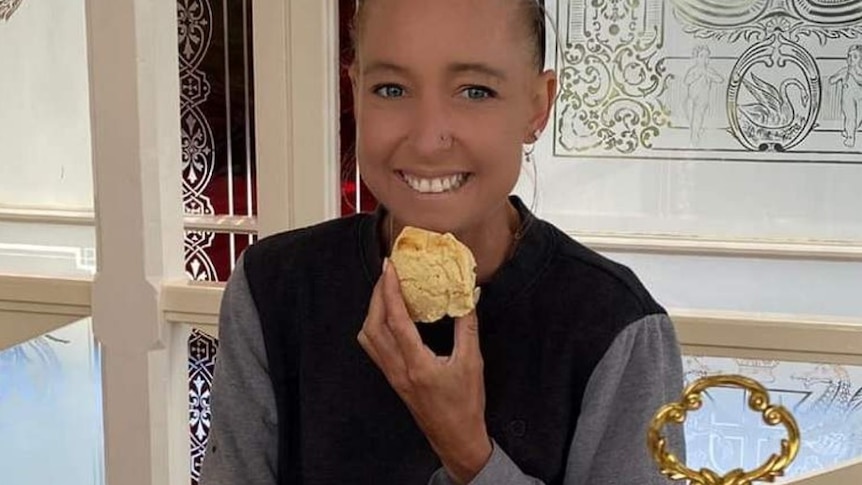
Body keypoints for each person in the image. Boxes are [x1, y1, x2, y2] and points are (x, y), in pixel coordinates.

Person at [199, 0, 686, 484]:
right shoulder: (274, 288)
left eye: (475, 91)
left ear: (538, 105)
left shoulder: (615, 326)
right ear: (355, 91)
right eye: (391, 89)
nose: (429, 138)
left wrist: (469, 452)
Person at [683, 45, 723, 146]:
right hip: (691, 98)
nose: (704, 59)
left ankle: (694, 135)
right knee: (688, 108)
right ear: (696, 58)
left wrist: (706, 74)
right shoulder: (693, 70)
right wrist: (696, 75)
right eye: (701, 56)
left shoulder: (709, 71)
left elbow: (720, 79)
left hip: (702, 99)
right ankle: (695, 129)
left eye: (706, 56)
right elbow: (686, 81)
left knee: (697, 114)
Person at [829, 44, 862, 148]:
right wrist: (836, 77)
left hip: (860, 98)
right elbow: (832, 80)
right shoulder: (845, 71)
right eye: (849, 56)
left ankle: (850, 130)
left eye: (855, 57)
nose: (851, 59)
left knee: (859, 118)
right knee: (850, 117)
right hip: (848, 99)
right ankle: (850, 137)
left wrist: (854, 74)